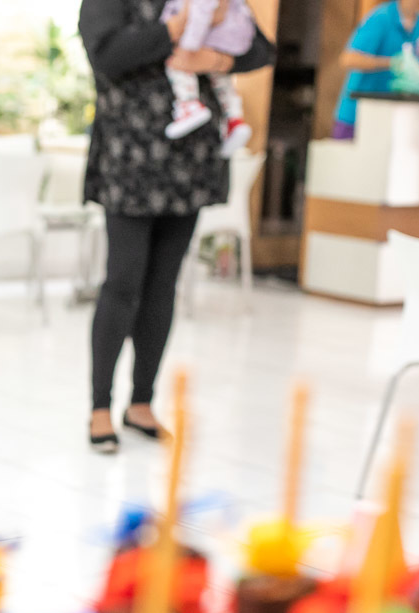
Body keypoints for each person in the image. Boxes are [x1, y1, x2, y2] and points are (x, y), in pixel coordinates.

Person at [79, 0, 275, 453]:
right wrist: (177, 30)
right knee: (122, 283)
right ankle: (100, 407)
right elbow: (107, 55)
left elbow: (260, 49)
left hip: (191, 162)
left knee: (163, 284)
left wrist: (217, 59)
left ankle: (142, 402)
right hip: (129, 159)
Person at [159, 0, 256, 156]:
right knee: (222, 81)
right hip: (225, 39)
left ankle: (188, 104)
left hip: (208, 38)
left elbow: (201, 10)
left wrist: (188, 48)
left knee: (178, 67)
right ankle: (234, 119)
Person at [332, 0, 419, 139]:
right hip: (357, 116)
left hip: (393, 118)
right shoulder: (381, 18)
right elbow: (348, 59)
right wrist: (390, 63)